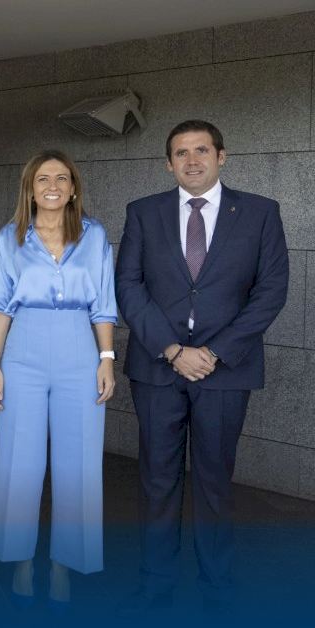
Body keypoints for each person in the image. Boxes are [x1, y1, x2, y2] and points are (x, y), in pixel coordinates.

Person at [115, 120, 288, 614]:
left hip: (225, 370)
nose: (192, 160)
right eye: (181, 153)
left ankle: (217, 588)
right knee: (157, 480)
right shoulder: (143, 212)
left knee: (214, 480)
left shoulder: (260, 213)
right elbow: (128, 285)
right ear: (168, 163)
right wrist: (173, 349)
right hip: (158, 367)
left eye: (202, 150)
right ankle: (156, 586)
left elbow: (270, 291)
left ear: (221, 156)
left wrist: (213, 353)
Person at [0, 149, 116, 608]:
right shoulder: (9, 238)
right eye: (43, 178)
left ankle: (65, 564)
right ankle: (20, 559)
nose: (53, 186)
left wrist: (106, 358)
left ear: (73, 188)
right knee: (18, 460)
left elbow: (103, 301)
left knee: (79, 462)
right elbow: (0, 304)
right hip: (23, 350)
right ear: (30, 188)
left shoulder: (95, 236)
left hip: (80, 348)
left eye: (62, 178)